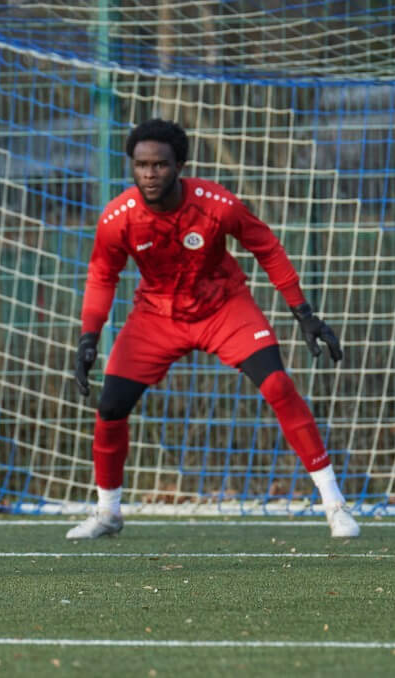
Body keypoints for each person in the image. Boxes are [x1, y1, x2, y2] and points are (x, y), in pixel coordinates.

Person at [68, 119, 359, 540]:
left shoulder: (216, 204)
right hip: (156, 316)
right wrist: (88, 338)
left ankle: (335, 505)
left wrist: (304, 313)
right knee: (111, 407)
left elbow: (267, 247)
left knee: (278, 385)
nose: (150, 173)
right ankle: (108, 513)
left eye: (160, 165)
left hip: (224, 307)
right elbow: (101, 275)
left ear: (180, 165)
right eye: (141, 165)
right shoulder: (118, 217)